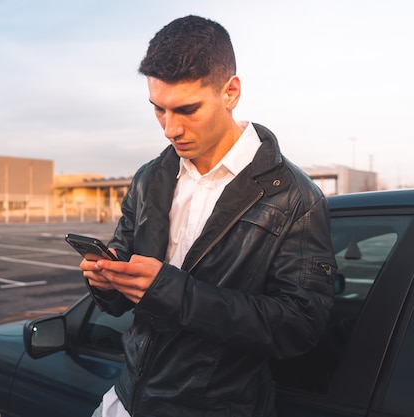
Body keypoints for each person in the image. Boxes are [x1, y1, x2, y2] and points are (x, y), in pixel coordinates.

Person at [81, 15, 336, 417]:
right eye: (158, 110)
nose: (169, 128)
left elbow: (299, 327)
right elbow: (120, 300)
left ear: (230, 91)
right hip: (125, 400)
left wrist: (171, 292)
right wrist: (107, 281)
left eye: (187, 109)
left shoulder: (295, 199)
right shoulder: (150, 178)